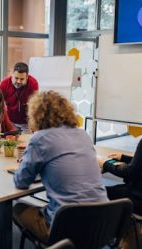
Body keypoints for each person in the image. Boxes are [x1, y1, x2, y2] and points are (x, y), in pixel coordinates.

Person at [13, 91, 108, 243]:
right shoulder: (83, 135)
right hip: (103, 222)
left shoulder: (39, 138)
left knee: (17, 208)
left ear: (36, 115)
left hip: (66, 227)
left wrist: (28, 160)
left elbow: (21, 182)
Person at [98, 141, 142, 215]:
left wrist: (104, 163)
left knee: (97, 193)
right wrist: (124, 157)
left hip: (137, 197)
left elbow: (129, 172)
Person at [0, 62, 38, 132]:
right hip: (10, 121)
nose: (18, 81)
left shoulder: (33, 83)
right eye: (16, 78)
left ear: (27, 77)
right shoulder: (4, 84)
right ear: (12, 75)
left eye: (22, 79)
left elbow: (34, 105)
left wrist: (33, 124)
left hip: (27, 123)